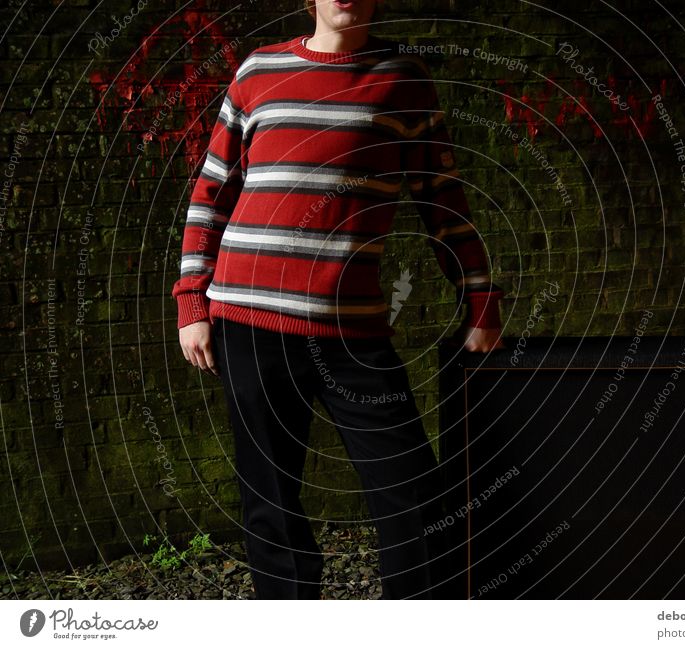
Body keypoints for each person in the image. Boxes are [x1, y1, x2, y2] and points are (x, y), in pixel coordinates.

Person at [173, 0, 504, 599]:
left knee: (413, 496)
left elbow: (443, 200)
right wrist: (191, 298)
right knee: (269, 500)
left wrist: (479, 297)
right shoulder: (257, 71)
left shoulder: (403, 81)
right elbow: (212, 189)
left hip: (351, 329)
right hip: (248, 317)